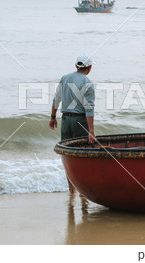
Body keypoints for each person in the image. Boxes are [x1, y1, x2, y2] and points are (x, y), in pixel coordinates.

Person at [49, 54, 96, 193]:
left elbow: (56, 99)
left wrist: (53, 117)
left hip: (65, 120)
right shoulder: (88, 83)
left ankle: (71, 190)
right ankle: (82, 190)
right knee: (82, 156)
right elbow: (89, 108)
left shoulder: (65, 78)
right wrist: (91, 132)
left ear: (76, 66)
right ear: (90, 67)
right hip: (80, 121)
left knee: (68, 156)